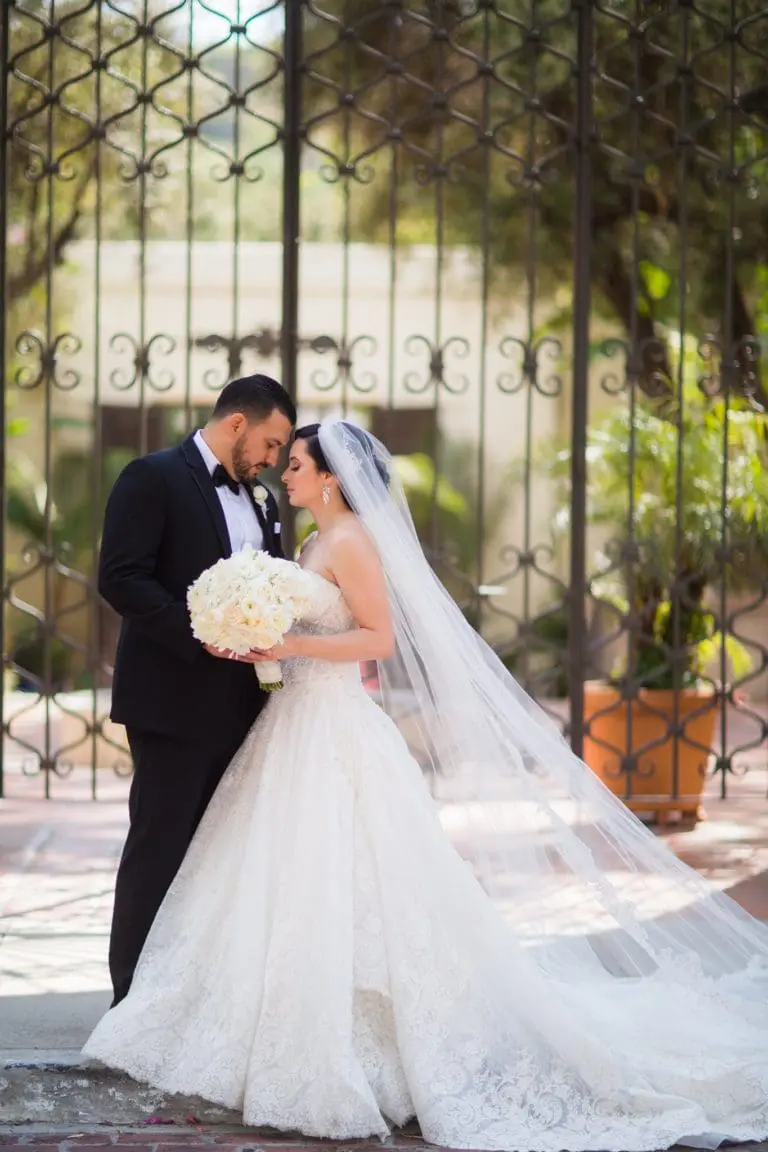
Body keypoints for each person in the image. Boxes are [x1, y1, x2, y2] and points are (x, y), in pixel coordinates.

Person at [86, 418, 768, 1151]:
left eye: (299, 464)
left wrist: (294, 642)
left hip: (334, 726)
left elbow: (376, 637)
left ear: (332, 479)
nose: (286, 473)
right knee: (278, 876)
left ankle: (362, 1041)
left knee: (348, 878)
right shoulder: (312, 540)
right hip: (291, 721)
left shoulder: (352, 542)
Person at [98, 374, 295, 1006]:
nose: (273, 460)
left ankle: (192, 1002)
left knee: (219, 860)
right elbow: (121, 577)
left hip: (245, 707)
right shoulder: (151, 477)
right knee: (160, 850)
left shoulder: (261, 498)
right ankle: (130, 1003)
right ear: (237, 423)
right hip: (171, 703)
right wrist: (200, 633)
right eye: (270, 443)